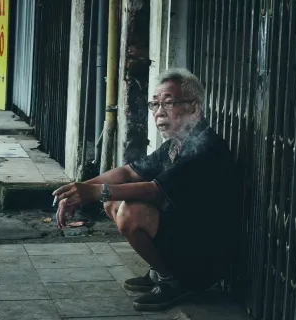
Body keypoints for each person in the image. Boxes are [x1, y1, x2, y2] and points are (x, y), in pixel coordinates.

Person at [53, 67, 241, 311]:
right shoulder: (177, 144)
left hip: (206, 258)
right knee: (113, 202)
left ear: (193, 108)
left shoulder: (205, 148)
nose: (159, 113)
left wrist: (95, 193)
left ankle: (174, 281)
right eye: (155, 104)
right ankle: (160, 271)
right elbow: (129, 172)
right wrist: (79, 188)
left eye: (168, 103)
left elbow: (154, 190)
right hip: (185, 235)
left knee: (131, 212)